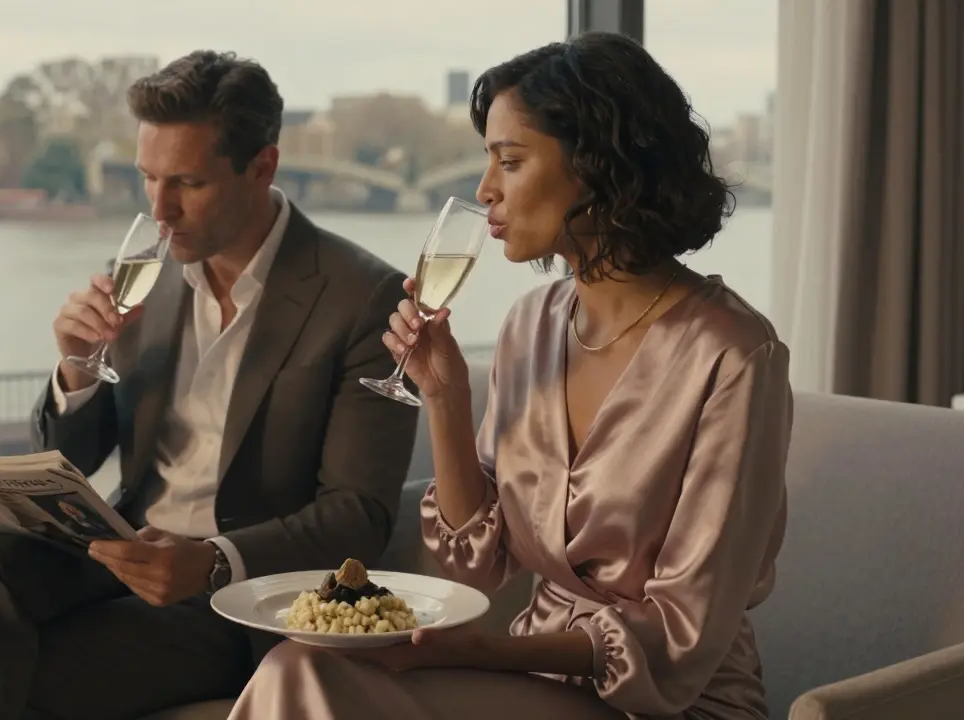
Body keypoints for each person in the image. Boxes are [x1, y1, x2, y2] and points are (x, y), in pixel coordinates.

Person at [227, 31, 793, 720]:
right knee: (301, 665)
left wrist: (474, 652)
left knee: (307, 679)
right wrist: (445, 398)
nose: (484, 189)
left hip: (671, 703)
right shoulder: (533, 324)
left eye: (511, 161)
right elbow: (476, 563)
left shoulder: (733, 355)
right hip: (533, 681)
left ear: (599, 166)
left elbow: (684, 631)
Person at [0, 50, 420, 720]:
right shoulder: (143, 271)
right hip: (120, 550)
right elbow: (72, 457)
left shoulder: (364, 298)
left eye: (187, 183)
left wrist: (212, 561)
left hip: (241, 601)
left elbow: (359, 515)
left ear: (262, 167)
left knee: (8, 665)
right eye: (148, 178)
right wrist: (77, 369)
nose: (160, 211)